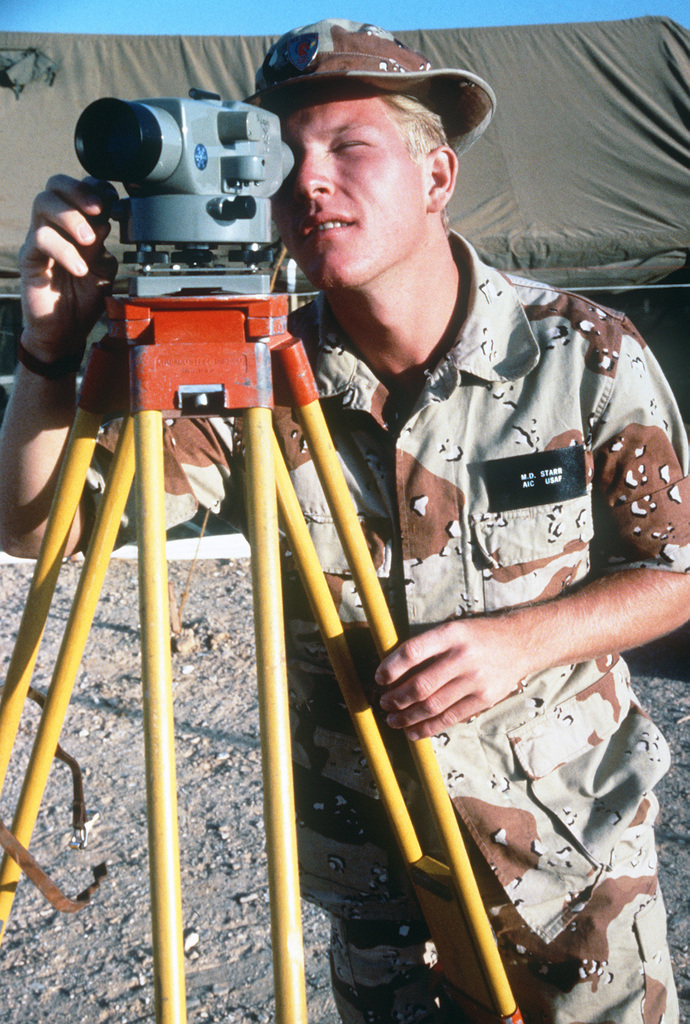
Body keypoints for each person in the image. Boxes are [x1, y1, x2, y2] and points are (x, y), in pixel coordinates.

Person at [1, 18, 688, 1024]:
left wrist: (523, 642)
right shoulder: (258, 383)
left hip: (568, 866)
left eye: (349, 146)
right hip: (374, 886)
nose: (307, 180)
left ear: (438, 176)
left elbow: (674, 567)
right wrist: (52, 357)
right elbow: (42, 530)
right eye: (283, 156)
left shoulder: (580, 353)